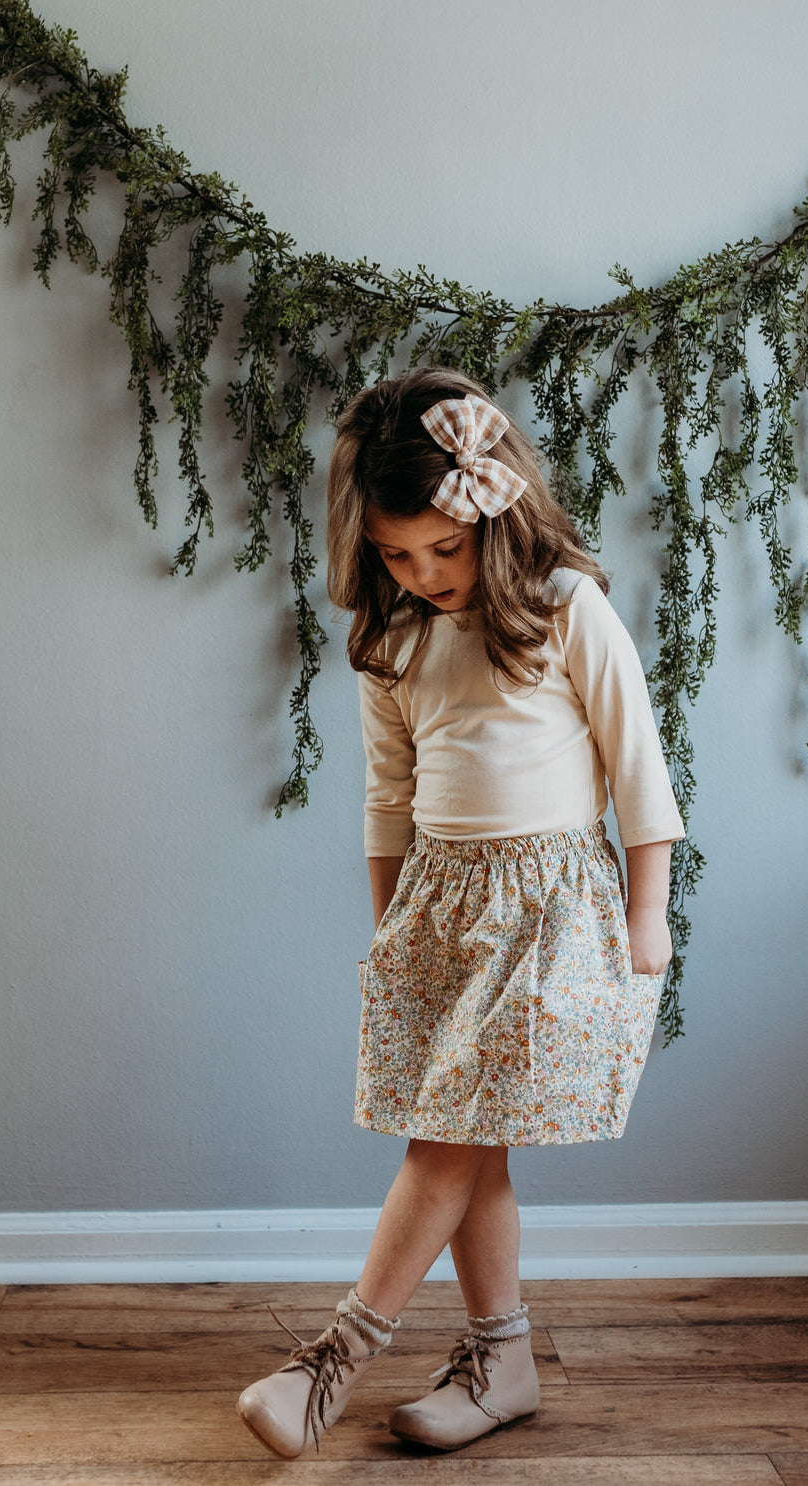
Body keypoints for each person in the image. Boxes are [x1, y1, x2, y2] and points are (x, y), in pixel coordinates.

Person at [237, 368, 685, 1457]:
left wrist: (648, 913)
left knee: (448, 1139)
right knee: (476, 1149)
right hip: (440, 909)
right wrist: (390, 928)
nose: (424, 573)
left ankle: (330, 1361)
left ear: (496, 512)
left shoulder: (565, 607)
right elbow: (389, 797)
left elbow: (639, 767)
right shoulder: (391, 640)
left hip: (551, 913)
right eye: (397, 555)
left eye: (445, 548)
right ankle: (504, 1358)